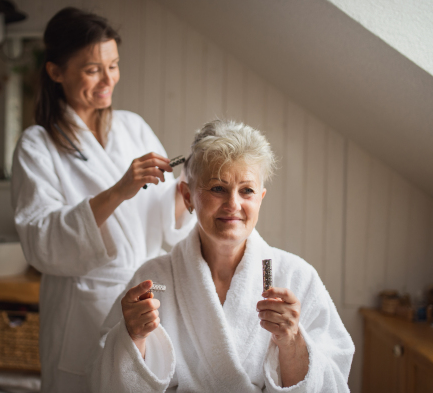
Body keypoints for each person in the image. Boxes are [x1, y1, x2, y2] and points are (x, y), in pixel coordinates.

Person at [89, 120, 355, 392]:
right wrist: (133, 338)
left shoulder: (297, 277)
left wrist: (292, 341)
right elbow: (103, 379)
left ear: (260, 198)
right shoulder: (154, 279)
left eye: (247, 190)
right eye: (218, 188)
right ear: (188, 196)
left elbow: (332, 382)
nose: (233, 204)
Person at [11, 7, 195, 392]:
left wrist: (187, 192)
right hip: (83, 310)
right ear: (56, 71)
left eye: (113, 65)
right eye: (93, 69)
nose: (108, 79)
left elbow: (164, 219)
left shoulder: (133, 127)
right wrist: (117, 192)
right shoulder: (38, 145)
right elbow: (40, 240)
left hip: (142, 303)